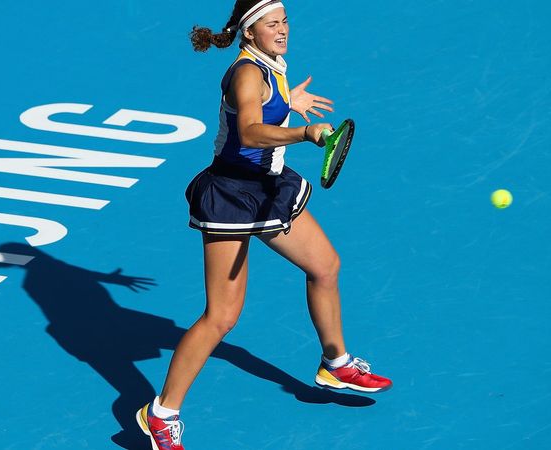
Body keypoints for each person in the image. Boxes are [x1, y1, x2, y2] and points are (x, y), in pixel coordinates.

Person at [134, 1, 392, 448]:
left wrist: (289, 101)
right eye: (273, 24)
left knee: (325, 266)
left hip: (269, 188)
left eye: (285, 21)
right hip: (232, 198)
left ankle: (336, 362)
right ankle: (160, 413)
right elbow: (250, 131)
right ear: (249, 33)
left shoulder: (271, 65)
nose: (283, 29)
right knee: (222, 317)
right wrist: (304, 132)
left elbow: (264, 111)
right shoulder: (247, 74)